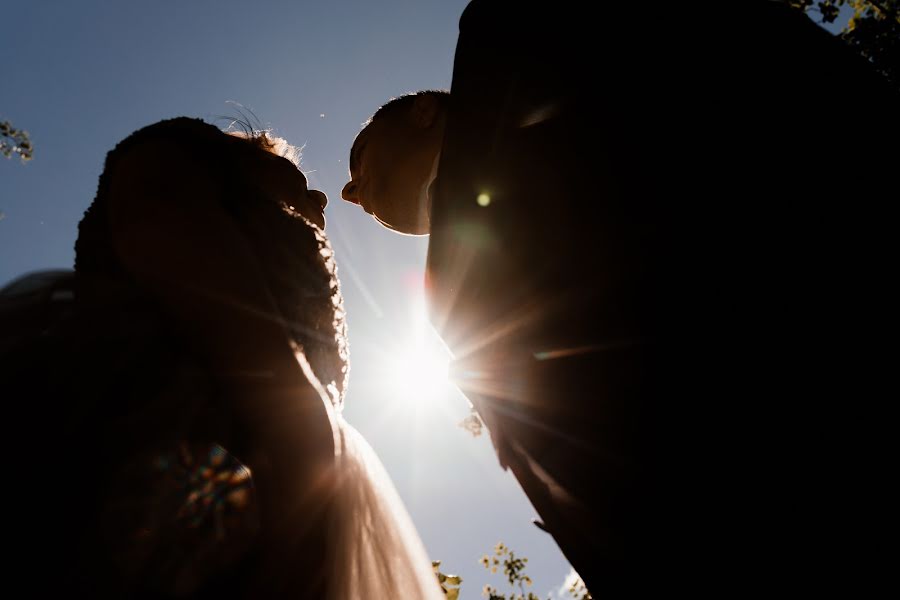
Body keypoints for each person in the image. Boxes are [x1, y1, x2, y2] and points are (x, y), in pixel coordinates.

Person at [342, 0, 899, 593]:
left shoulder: (507, 38)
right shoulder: (447, 299)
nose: (352, 191)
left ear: (424, 113)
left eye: (364, 157)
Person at [1, 117, 444, 599]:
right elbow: (158, 217)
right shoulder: (178, 157)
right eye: (296, 179)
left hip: (281, 469)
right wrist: (296, 415)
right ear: (244, 165)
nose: (326, 199)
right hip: (159, 425)